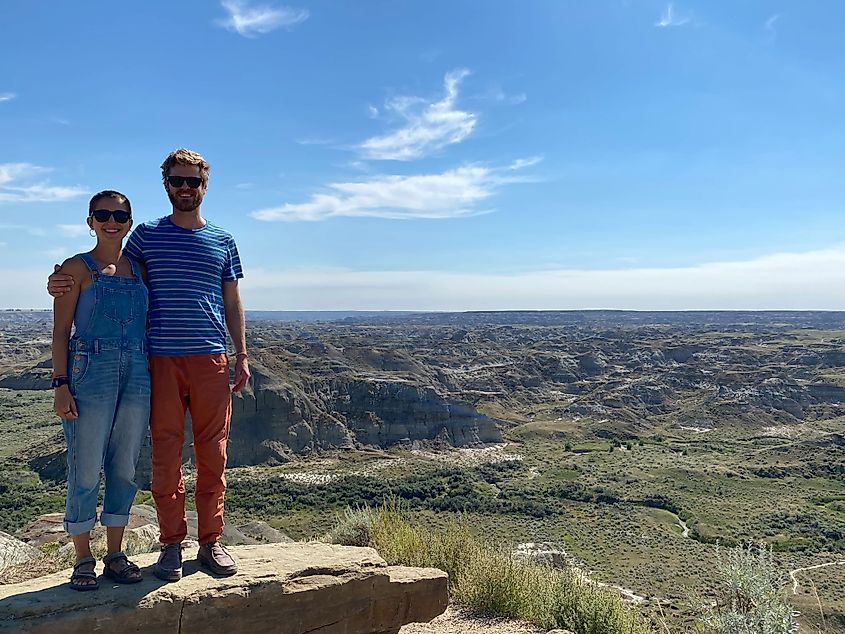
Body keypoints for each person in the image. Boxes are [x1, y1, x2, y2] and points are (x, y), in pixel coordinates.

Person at [49, 149, 250, 582]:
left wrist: (242, 353)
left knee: (214, 455)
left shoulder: (223, 241)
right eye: (177, 181)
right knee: (165, 454)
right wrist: (60, 279)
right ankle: (171, 544)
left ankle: (211, 542)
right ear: (166, 185)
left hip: (210, 357)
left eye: (192, 181)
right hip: (158, 360)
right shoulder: (145, 237)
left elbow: (232, 299)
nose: (185, 188)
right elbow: (104, 268)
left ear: (204, 186)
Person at [51, 190, 149, 590]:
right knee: (85, 465)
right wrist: (60, 384)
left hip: (138, 370)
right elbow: (60, 333)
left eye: (120, 215)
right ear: (89, 220)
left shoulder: (139, 267)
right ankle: (82, 558)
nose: (112, 221)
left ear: (129, 222)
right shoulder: (77, 268)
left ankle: (115, 553)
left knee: (124, 465)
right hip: (90, 368)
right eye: (103, 214)